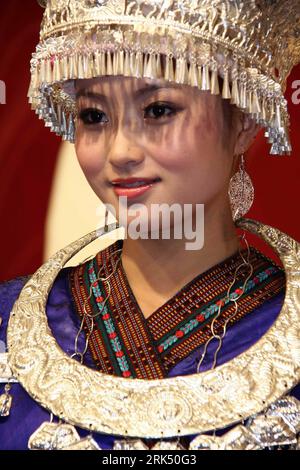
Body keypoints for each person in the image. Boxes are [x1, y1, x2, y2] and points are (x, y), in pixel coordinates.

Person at [0, 0, 299, 450]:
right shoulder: (7, 324)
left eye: (158, 110)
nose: (120, 151)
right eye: (94, 116)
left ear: (241, 121)